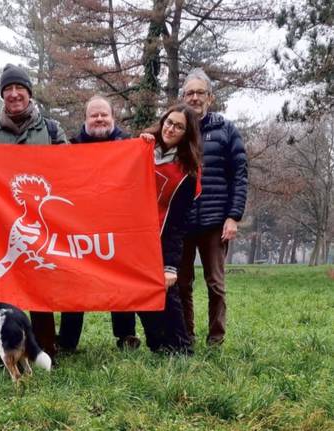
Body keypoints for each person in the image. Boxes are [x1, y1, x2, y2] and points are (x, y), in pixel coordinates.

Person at [0, 63, 67, 359]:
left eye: (20, 88)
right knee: (6, 286)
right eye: (8, 90)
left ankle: (45, 346)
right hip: (1, 221)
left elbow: (74, 166)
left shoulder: (51, 129)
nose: (14, 94)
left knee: (41, 285)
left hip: (45, 223)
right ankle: (8, 345)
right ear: (3, 95)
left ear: (29, 93)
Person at [56, 95, 140, 352]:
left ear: (113, 117)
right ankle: (68, 340)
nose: (100, 119)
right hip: (80, 224)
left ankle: (126, 335)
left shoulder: (130, 146)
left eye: (104, 114)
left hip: (117, 224)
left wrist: (147, 142)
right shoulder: (70, 147)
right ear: (86, 119)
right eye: (94, 115)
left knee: (119, 277)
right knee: (75, 278)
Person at [177, 68, 248, 346]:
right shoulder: (178, 128)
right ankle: (187, 337)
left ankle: (216, 338)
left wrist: (234, 216)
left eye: (199, 93)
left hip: (215, 220)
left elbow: (240, 174)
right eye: (189, 93)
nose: (194, 98)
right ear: (183, 97)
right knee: (182, 285)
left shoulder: (226, 129)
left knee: (215, 284)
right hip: (182, 221)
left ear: (210, 97)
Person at [137, 103, 202, 354]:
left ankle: (182, 347)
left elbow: (178, 222)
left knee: (167, 291)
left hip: (162, 238)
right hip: (133, 236)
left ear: (187, 134)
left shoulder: (188, 172)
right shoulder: (143, 149)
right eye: (169, 122)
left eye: (179, 126)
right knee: (139, 293)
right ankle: (157, 345)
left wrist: (170, 265)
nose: (171, 129)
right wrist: (139, 144)